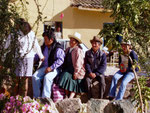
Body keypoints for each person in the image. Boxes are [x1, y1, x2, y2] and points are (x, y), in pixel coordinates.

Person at [14, 19, 44, 96]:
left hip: (19, 57)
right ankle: (23, 98)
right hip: (29, 58)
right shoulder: (31, 33)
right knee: (25, 80)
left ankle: (15, 98)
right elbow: (36, 46)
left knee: (17, 79)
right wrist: (41, 56)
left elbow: (7, 45)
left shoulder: (16, 34)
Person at [32, 31, 65, 98]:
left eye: (46, 39)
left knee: (47, 78)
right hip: (44, 67)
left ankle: (45, 98)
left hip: (55, 68)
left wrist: (51, 67)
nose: (44, 41)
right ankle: (37, 97)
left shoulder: (57, 48)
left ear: (51, 40)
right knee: (34, 77)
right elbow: (37, 56)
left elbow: (60, 60)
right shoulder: (44, 47)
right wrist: (34, 60)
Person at [59, 32, 85, 98]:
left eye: (73, 40)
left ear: (76, 42)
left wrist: (76, 72)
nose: (71, 41)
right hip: (68, 69)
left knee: (74, 81)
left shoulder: (78, 50)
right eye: (70, 40)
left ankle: (71, 97)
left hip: (76, 70)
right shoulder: (68, 49)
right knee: (64, 77)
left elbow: (79, 62)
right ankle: (67, 95)